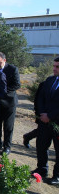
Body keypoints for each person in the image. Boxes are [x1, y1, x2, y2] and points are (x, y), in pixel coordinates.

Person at [32, 57, 59, 185]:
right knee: (41, 145)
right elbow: (40, 98)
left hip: (57, 123)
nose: (54, 69)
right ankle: (42, 169)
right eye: (54, 66)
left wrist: (51, 116)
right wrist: (42, 114)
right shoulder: (50, 80)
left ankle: (57, 176)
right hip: (44, 121)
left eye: (57, 67)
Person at [0, 52, 21, 155]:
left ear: (4, 60)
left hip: (9, 102)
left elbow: (17, 84)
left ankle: (7, 147)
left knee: (8, 126)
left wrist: (3, 91)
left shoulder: (12, 69)